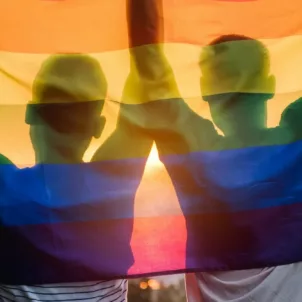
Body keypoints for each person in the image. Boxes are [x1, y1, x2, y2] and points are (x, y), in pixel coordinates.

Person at [126, 1, 302, 301]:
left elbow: (148, 60)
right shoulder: (294, 143)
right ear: (270, 86)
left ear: (205, 92)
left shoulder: (193, 152)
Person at [0, 54, 152, 301]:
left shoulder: (3, 185)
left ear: (30, 113)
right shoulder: (114, 181)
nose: (64, 113)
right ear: (98, 126)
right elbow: (149, 71)